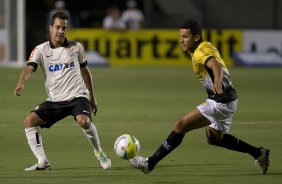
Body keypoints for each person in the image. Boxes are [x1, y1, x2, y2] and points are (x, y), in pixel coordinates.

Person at [129, 20, 270, 174]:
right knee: (214, 139)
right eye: (180, 36)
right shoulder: (205, 45)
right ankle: (258, 153)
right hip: (229, 99)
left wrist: (217, 81)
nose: (181, 40)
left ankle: (149, 163)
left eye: (185, 36)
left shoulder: (199, 52)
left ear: (196, 37)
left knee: (180, 125)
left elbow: (215, 65)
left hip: (220, 101)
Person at [13, 12, 111, 171]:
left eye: (64, 28)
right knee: (29, 122)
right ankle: (42, 161)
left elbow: (85, 72)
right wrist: (21, 82)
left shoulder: (76, 47)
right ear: (50, 28)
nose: (60, 31)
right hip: (55, 100)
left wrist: (92, 97)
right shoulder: (40, 49)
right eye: (57, 27)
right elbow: (29, 68)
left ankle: (99, 152)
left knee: (84, 121)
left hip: (77, 96)